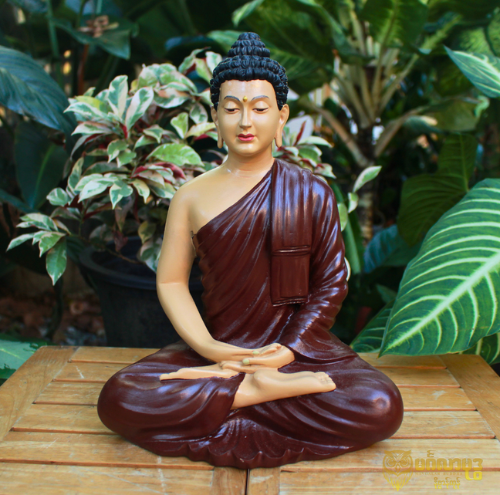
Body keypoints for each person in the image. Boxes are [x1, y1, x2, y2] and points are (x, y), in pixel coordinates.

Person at [97, 32, 404, 469]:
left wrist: (288, 351)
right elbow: (170, 282)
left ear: (281, 117)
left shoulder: (311, 192)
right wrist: (210, 348)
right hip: (220, 351)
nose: (246, 121)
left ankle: (234, 396)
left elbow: (331, 283)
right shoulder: (191, 196)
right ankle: (252, 392)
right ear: (214, 117)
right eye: (231, 108)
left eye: (260, 108)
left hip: (297, 352)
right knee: (120, 397)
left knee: (379, 404)